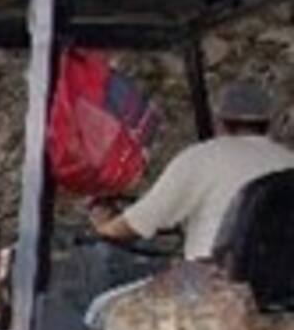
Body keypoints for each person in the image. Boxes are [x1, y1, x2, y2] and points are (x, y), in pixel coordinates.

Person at [91, 79, 294, 260]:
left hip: (215, 287)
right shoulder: (288, 160)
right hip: (279, 289)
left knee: (105, 302)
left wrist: (103, 227)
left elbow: (141, 220)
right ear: (268, 123)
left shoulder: (202, 158)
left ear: (220, 121)